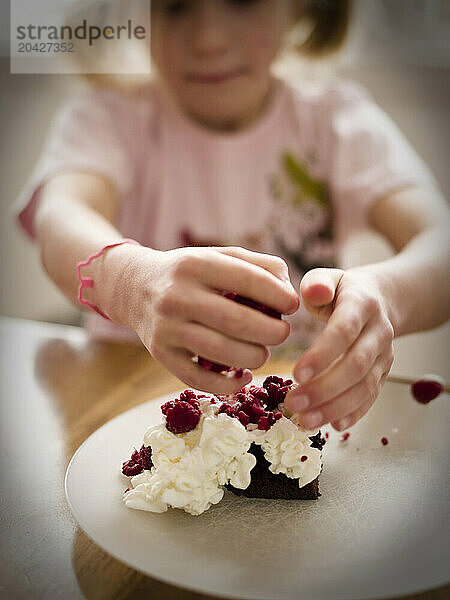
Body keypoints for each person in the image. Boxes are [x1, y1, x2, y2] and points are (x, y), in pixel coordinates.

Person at [15, 0, 449, 432]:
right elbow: (62, 217)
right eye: (174, 7)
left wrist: (387, 296)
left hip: (295, 417)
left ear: (301, 8)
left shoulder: (337, 122)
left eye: (243, 2)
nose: (209, 40)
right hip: (122, 412)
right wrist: (130, 285)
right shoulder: (106, 119)